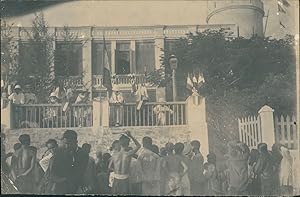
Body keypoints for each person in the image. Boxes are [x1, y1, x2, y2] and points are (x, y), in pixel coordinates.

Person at [47, 130, 89, 194]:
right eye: (65, 143)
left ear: (76, 142)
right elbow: (52, 172)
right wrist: (62, 180)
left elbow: (81, 172)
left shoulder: (83, 155)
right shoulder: (59, 153)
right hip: (60, 187)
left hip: (76, 187)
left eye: (68, 143)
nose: (66, 146)